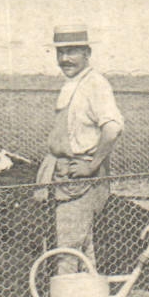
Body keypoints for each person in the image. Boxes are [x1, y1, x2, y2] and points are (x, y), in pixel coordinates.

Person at [35, 25, 124, 274]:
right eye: (60, 52)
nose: (65, 59)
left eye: (72, 51)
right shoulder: (73, 84)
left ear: (87, 53)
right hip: (61, 173)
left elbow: (112, 129)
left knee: (67, 249)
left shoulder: (96, 84)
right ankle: (88, 295)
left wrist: (92, 165)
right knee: (82, 244)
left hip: (78, 177)